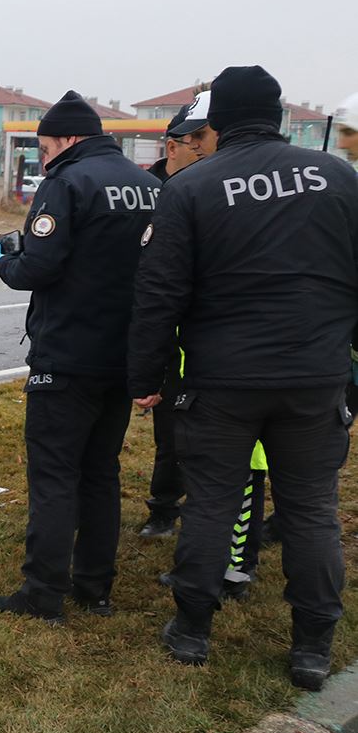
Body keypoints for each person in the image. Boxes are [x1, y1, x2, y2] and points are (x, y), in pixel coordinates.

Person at [128, 65, 358, 690]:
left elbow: (158, 294)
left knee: (211, 502)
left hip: (222, 379)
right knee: (312, 510)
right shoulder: (338, 177)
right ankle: (312, 646)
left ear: (218, 123)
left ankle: (192, 631)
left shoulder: (192, 187)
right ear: (278, 116)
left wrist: (145, 375)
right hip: (313, 376)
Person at [0, 91, 159, 623]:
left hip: (66, 355)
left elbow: (38, 267)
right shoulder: (149, 186)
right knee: (101, 472)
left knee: (55, 474)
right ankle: (95, 587)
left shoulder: (66, 183)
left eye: (44, 149)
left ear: (67, 139)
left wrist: (5, 260)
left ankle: (43, 593)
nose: (43, 160)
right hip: (123, 353)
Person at [139, 96, 212, 537]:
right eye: (195, 143)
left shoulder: (215, 187)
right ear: (172, 147)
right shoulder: (148, 191)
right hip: (165, 328)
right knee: (169, 429)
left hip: (208, 330)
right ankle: (164, 507)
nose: (203, 151)